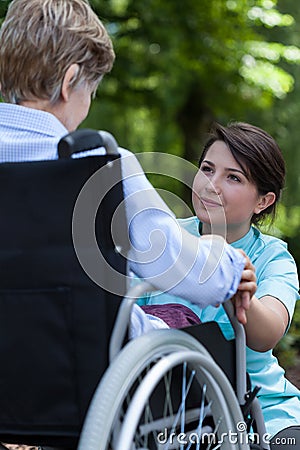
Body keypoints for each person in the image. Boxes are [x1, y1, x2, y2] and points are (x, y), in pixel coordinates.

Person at [0, 0, 256, 315]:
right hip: (78, 354)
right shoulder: (100, 166)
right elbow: (181, 266)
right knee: (183, 322)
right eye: (90, 91)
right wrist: (227, 261)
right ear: (69, 82)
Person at [138, 121, 300, 448]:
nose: (211, 185)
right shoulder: (165, 239)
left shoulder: (272, 258)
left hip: (259, 413)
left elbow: (267, 333)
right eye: (207, 169)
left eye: (233, 177)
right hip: (168, 410)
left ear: (263, 201)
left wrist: (240, 291)